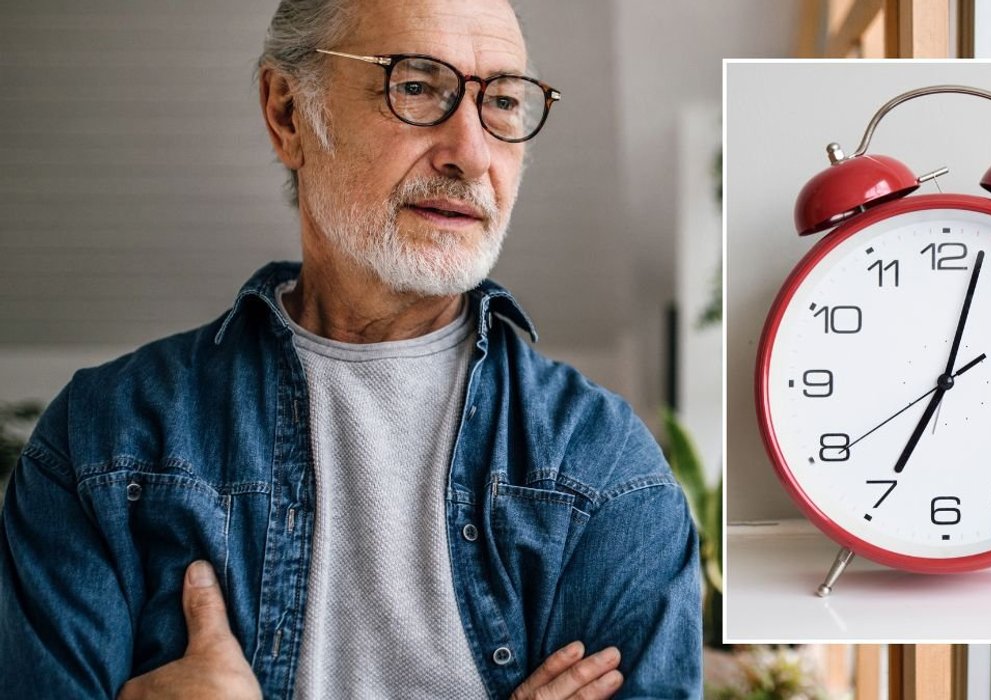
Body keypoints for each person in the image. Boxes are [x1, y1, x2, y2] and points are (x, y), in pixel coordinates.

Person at [0, 0, 702, 697]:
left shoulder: (604, 467)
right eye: (416, 86)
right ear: (288, 114)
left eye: (502, 102)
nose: (471, 154)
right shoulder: (102, 437)